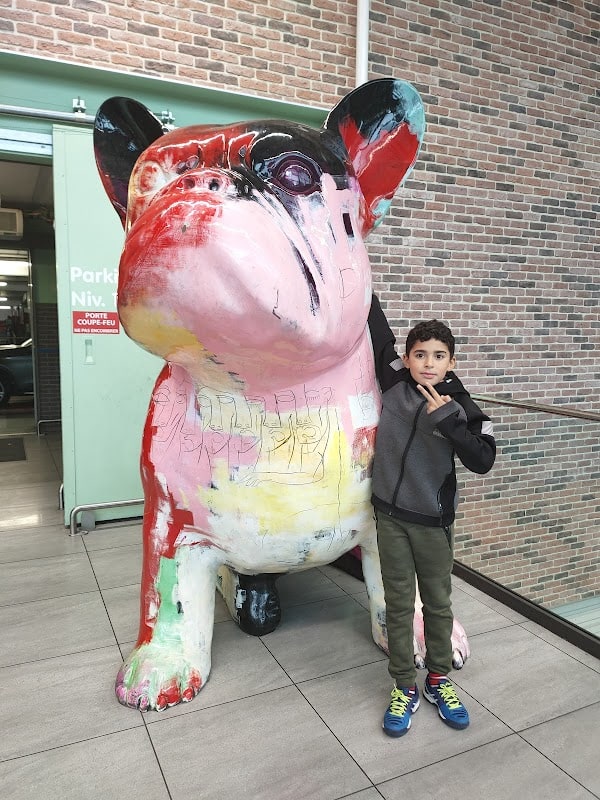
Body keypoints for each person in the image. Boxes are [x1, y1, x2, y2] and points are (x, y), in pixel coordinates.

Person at [368, 299, 496, 737]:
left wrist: (447, 420)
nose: (428, 363)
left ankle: (439, 681)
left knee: (438, 606)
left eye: (438, 356)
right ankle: (404, 685)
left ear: (451, 362)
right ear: (407, 358)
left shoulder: (459, 405)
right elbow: (378, 331)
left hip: (433, 523)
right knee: (399, 606)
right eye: (420, 354)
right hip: (389, 517)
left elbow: (483, 457)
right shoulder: (393, 382)